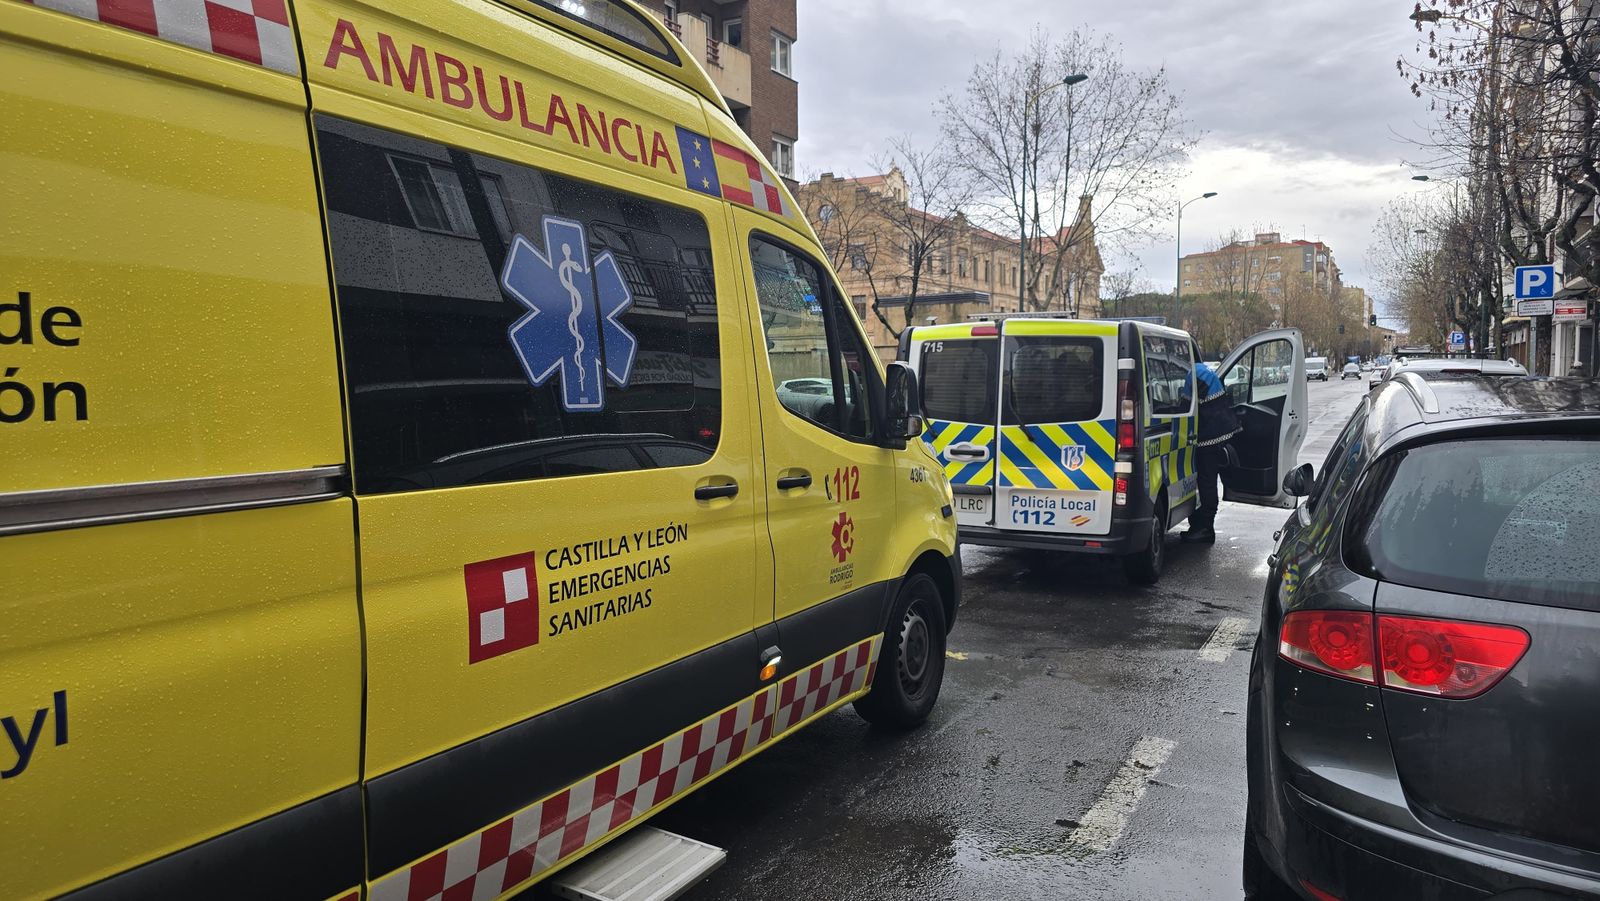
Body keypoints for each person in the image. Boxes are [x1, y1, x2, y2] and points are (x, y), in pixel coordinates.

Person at [1184, 354, 1241, 544]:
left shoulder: (1192, 375)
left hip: (1209, 437)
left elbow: (1185, 406)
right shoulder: (1203, 370)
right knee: (1208, 481)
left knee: (1207, 482)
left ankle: (1206, 528)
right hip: (1219, 433)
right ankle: (1199, 526)